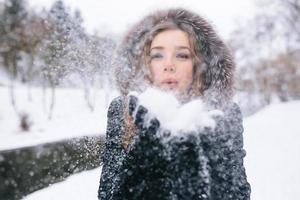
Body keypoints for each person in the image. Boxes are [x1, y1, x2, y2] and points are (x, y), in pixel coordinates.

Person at [98, 8, 251, 200]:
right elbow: (107, 193)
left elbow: (237, 193)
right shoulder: (124, 109)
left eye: (182, 55)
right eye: (157, 55)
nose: (168, 65)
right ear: (145, 64)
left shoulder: (224, 113)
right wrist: (145, 153)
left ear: (199, 65)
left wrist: (198, 153)